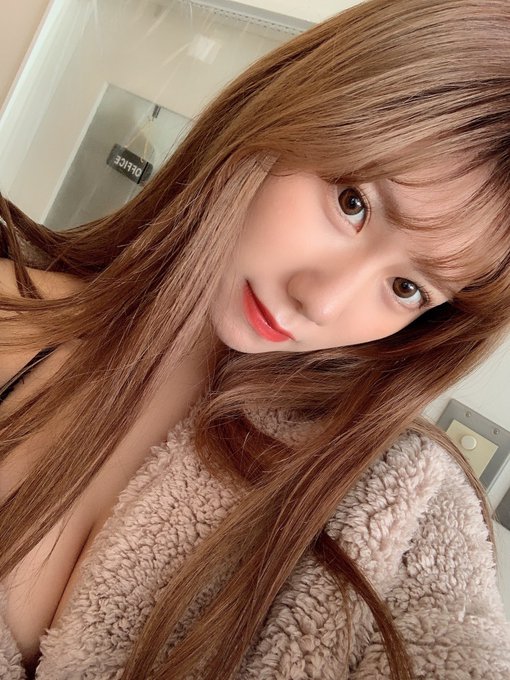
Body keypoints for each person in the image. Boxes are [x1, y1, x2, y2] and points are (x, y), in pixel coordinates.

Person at [0, 0, 509, 677]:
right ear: (288, 109)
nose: (321, 300)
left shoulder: (394, 501)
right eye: (352, 203)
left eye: (407, 288)